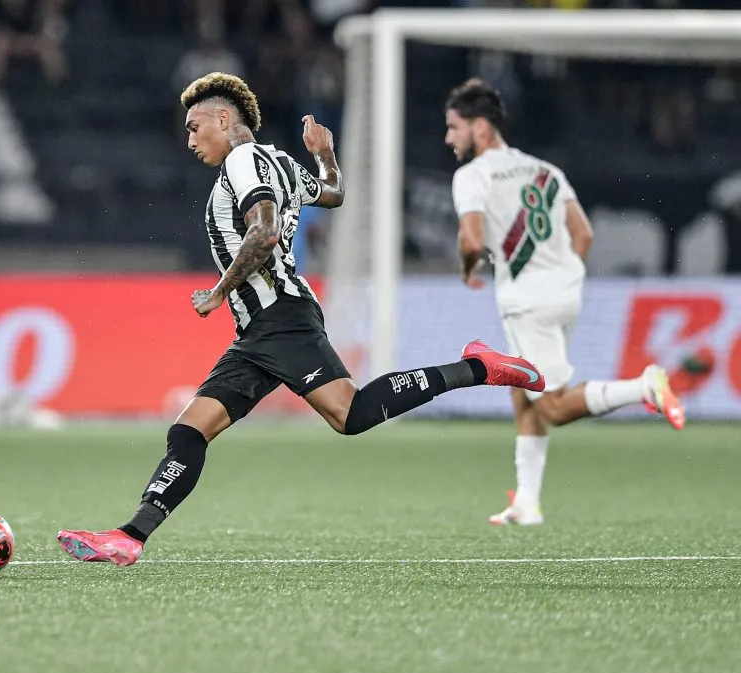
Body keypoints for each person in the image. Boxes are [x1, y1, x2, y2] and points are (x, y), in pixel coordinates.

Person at [55, 72, 547, 565]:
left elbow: (265, 232)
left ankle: (478, 367)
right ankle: (130, 536)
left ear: (223, 119)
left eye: (194, 126)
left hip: (278, 317)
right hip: (260, 331)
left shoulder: (244, 160)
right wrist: (325, 154)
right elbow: (332, 193)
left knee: (348, 415)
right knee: (190, 430)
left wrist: (219, 292)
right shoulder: (282, 162)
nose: (189, 140)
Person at [444, 78, 685, 527]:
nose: (448, 138)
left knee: (550, 404)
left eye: (454, 127)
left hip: (527, 298)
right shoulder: (545, 170)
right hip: (568, 290)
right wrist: (559, 276)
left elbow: (472, 240)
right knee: (522, 387)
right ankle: (527, 502)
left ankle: (644, 388)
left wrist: (466, 267)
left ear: (479, 128)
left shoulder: (471, 176)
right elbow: (584, 234)